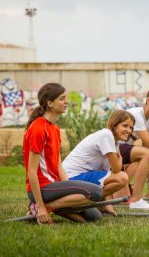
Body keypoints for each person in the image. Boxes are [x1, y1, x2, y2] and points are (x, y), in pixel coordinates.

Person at [24, 83, 103, 225]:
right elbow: (31, 171)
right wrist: (41, 206)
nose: (66, 102)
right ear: (50, 103)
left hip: (55, 186)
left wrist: (69, 187)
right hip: (43, 188)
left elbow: (58, 164)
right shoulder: (38, 128)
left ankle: (50, 208)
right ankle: (40, 207)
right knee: (96, 193)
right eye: (62, 98)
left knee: (95, 217)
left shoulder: (55, 129)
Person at [62, 110, 133, 214]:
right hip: (70, 177)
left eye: (131, 127)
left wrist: (106, 204)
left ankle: (83, 203)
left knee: (94, 216)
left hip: (78, 177)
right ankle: (71, 203)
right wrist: (120, 155)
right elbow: (116, 170)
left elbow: (105, 177)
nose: (129, 130)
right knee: (122, 178)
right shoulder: (106, 134)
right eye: (125, 126)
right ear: (114, 126)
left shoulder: (113, 141)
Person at [115, 86, 149, 209]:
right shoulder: (136, 114)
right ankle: (136, 200)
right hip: (115, 149)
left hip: (123, 152)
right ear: (148, 100)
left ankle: (128, 193)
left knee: (143, 157)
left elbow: (147, 151)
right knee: (145, 154)